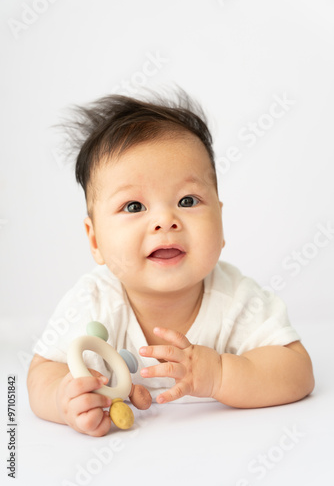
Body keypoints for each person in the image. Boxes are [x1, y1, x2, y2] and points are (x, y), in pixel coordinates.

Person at [27, 88, 315, 437]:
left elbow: (297, 371)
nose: (165, 221)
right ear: (95, 240)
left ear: (220, 223)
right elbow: (42, 371)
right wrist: (63, 399)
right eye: (134, 206)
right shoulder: (94, 301)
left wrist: (221, 374)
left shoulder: (237, 298)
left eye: (188, 200)